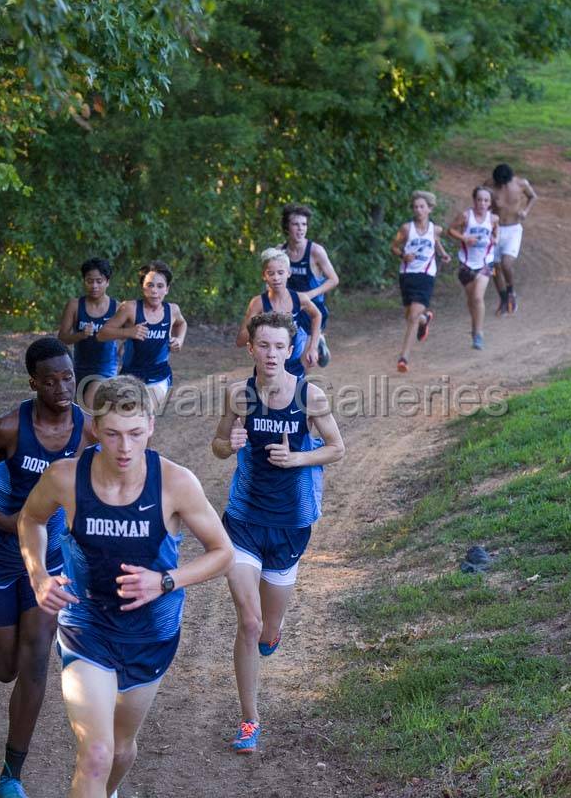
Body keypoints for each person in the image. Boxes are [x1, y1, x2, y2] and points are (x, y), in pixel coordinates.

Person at [19, 375, 233, 798]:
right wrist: (39, 574)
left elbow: (222, 552)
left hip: (150, 634)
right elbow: (31, 519)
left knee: (119, 750)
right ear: (95, 429)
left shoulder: (175, 482)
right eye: (113, 434)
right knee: (95, 754)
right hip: (87, 625)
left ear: (151, 426)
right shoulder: (66, 477)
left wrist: (165, 581)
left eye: (135, 434)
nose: (124, 447)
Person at [0, 336, 98, 798]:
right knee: (5, 667)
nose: (61, 387)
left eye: (68, 377)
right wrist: (4, 520)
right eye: (49, 380)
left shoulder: (88, 429)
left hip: (49, 552)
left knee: (35, 660)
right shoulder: (9, 428)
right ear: (33, 382)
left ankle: (11, 775)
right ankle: (11, 769)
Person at [212, 312, 345, 754]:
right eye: (262, 346)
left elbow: (336, 448)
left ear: (290, 351)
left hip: (290, 524)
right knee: (248, 623)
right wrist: (226, 444)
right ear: (250, 348)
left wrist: (298, 460)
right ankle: (249, 720)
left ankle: (275, 632)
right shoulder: (240, 395)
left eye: (278, 347)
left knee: (267, 629)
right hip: (243, 520)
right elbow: (216, 446)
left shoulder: (310, 396)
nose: (270, 354)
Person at [97, 261, 187, 412]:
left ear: (167, 289)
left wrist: (179, 339)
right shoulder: (129, 308)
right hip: (130, 375)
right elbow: (101, 334)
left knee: (144, 414)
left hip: (159, 375)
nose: (154, 291)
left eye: (160, 286)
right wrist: (128, 332)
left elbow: (182, 323)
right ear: (142, 287)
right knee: (129, 419)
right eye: (150, 285)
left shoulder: (172, 310)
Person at [389, 190, 451, 373]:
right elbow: (393, 246)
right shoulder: (406, 229)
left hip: (426, 276)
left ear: (429, 209)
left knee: (413, 316)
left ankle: (404, 358)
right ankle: (425, 320)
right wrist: (403, 255)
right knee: (410, 316)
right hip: (407, 275)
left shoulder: (435, 229)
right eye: (415, 207)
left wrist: (443, 254)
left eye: (422, 207)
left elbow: (436, 240)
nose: (418, 210)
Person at [235, 248, 322, 377]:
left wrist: (313, 347)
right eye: (271, 273)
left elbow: (317, 315)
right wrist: (259, 323)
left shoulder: (299, 299)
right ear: (264, 275)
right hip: (266, 367)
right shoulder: (258, 303)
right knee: (264, 396)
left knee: (297, 396)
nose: (276, 278)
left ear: (289, 273)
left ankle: (319, 341)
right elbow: (240, 341)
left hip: (294, 365)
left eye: (280, 272)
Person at [280, 204, 339, 366]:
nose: (300, 229)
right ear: (287, 227)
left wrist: (309, 295)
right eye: (295, 224)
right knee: (288, 355)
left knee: (305, 361)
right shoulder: (280, 252)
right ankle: (317, 339)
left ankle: (317, 340)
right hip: (290, 310)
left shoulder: (315, 251)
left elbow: (334, 279)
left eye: (304, 224)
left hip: (313, 310)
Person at [58, 257, 120, 409]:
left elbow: (131, 333)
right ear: (84, 281)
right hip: (79, 367)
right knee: (78, 411)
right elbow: (62, 338)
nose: (94, 286)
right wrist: (81, 335)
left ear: (107, 282)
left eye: (99, 281)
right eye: (89, 281)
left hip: (105, 368)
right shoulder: (75, 305)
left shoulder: (117, 307)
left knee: (89, 403)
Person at [447, 186, 500, 349]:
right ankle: (474, 326)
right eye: (479, 200)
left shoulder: (493, 219)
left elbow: (497, 232)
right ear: (474, 200)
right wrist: (465, 238)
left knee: (478, 297)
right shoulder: (466, 216)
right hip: (466, 263)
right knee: (471, 300)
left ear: (490, 203)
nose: (482, 203)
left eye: (486, 200)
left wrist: (495, 238)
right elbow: (450, 230)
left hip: (485, 262)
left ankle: (478, 333)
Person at [488, 163, 538, 315]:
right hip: (495, 229)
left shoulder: (521, 184)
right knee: (493, 268)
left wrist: (525, 211)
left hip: (513, 228)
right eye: (498, 184)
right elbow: (482, 201)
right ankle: (503, 300)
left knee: (506, 263)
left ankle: (510, 290)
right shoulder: (488, 185)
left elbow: (533, 197)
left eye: (504, 183)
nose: (501, 186)